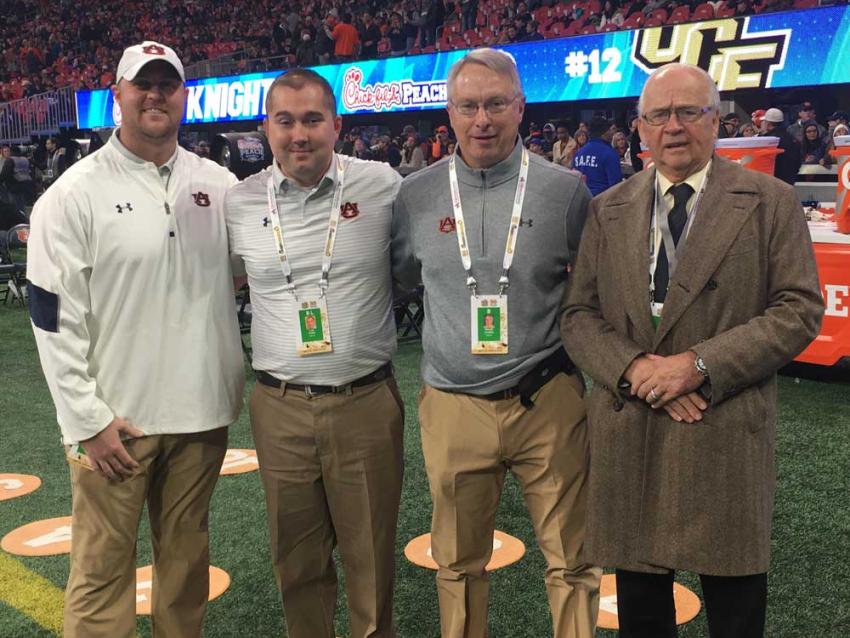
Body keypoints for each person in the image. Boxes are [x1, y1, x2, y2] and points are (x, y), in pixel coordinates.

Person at [562, 62, 824, 638]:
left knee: (735, 612)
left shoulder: (769, 200)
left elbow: (799, 309)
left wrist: (697, 367)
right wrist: (636, 370)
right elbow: (578, 315)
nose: (673, 127)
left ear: (716, 120)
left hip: (721, 428)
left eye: (689, 112)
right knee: (643, 614)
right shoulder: (609, 208)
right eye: (659, 115)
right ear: (640, 127)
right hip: (634, 425)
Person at [26, 41, 244, 638]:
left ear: (184, 96)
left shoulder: (220, 185)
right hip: (115, 424)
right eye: (141, 84)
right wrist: (86, 421)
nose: (155, 95)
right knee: (100, 575)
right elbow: (50, 317)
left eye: (167, 84)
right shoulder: (73, 194)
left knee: (184, 570)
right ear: (117, 94)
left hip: (199, 416)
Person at [392, 48, 600, 638]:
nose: (482, 119)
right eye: (468, 106)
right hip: (453, 404)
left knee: (572, 561)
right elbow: (406, 275)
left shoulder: (565, 191)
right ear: (449, 113)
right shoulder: (416, 194)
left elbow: (591, 291)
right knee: (456, 564)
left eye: (495, 104)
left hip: (547, 400)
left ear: (519, 107)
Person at [225, 68, 404, 638]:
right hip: (278, 407)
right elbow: (220, 282)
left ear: (336, 125)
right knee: (296, 561)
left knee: (370, 559)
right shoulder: (238, 202)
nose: (298, 134)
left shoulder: (383, 186)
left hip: (365, 401)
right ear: (266, 128)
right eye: (285, 121)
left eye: (311, 119)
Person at [572, 115, 623, 195]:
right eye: (610, 130)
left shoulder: (578, 154)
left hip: (582, 201)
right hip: (602, 202)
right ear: (605, 133)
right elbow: (616, 187)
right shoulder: (609, 153)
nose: (612, 133)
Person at [761, 107, 802, 185]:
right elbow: (798, 161)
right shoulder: (792, 139)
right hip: (789, 181)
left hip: (772, 182)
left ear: (768, 124)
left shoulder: (767, 141)